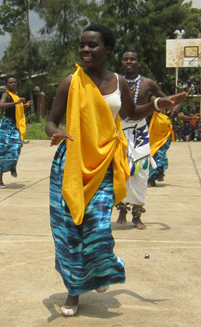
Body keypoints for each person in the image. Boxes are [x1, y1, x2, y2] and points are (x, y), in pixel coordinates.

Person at [45, 25, 186, 316]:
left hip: (105, 163)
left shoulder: (119, 82)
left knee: (97, 228)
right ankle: (73, 292)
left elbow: (132, 114)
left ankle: (100, 269)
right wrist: (57, 132)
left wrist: (159, 103)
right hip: (70, 163)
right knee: (69, 231)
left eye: (93, 45)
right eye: (82, 45)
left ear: (107, 50)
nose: (85, 50)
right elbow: (51, 121)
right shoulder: (70, 82)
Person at [116, 49, 174, 229]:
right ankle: (122, 209)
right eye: (125, 59)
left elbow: (168, 100)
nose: (129, 62)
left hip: (140, 132)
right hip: (119, 131)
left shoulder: (148, 84)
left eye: (133, 59)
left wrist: (173, 107)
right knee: (121, 170)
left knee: (140, 171)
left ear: (138, 63)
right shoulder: (114, 82)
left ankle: (137, 214)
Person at [0, 76, 32, 189]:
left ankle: (12, 166)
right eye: (10, 82)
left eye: (14, 82)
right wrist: (17, 102)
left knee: (17, 147)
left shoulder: (16, 95)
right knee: (3, 150)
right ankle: (0, 180)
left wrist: (26, 105)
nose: (13, 84)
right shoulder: (6, 95)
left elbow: (17, 109)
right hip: (7, 125)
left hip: (16, 125)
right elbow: (1, 106)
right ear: (7, 84)